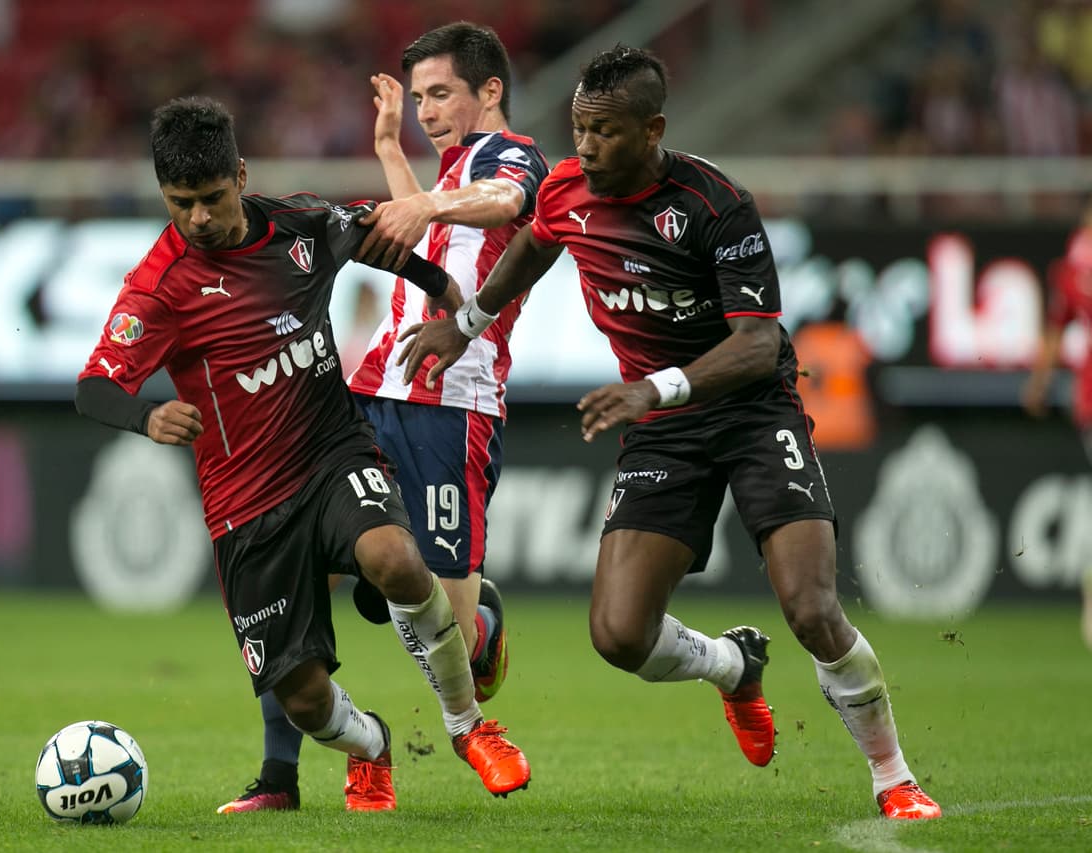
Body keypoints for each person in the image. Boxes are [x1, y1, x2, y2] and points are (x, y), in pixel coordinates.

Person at [396, 45, 942, 820]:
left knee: (813, 607)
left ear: (652, 130)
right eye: (579, 128)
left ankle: (894, 777)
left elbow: (757, 343)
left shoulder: (717, 205)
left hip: (752, 410)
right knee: (618, 633)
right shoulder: (565, 189)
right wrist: (468, 321)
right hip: (661, 425)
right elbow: (534, 245)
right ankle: (731, 664)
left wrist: (656, 386)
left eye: (605, 133)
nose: (584, 147)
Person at [74, 95, 531, 815]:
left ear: (242, 175)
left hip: (331, 454)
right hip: (246, 503)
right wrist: (147, 412)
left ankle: (469, 725)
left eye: (211, 197)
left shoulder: (301, 227)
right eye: (180, 202)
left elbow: (383, 242)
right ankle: (371, 744)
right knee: (307, 698)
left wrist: (448, 299)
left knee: (396, 560)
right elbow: (94, 386)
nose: (197, 217)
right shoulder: (159, 288)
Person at [230, 21, 550, 813]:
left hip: (454, 404)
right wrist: (388, 152)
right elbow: (430, 237)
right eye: (419, 98)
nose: (428, 110)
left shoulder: (514, 157)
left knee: (436, 622)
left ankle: (482, 633)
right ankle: (280, 775)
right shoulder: (446, 171)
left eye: (441, 93)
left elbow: (507, 201)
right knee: (289, 547)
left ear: (490, 91)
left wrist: (429, 194)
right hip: (371, 391)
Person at [1022, 199, 1092, 649]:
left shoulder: (1073, 265)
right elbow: (1054, 328)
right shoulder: (1075, 265)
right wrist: (1040, 381)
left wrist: (1040, 382)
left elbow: (1054, 327)